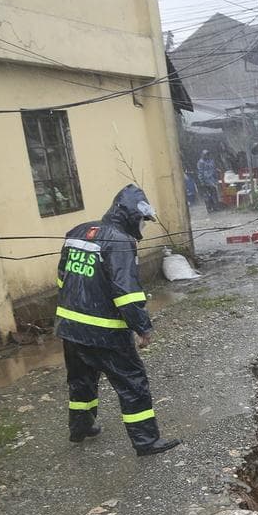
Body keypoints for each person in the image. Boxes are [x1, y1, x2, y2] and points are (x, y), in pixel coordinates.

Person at [55, 184, 180, 457]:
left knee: (81, 379)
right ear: (130, 216)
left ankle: (80, 427)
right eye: (141, 221)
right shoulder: (120, 242)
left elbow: (62, 278)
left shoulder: (78, 232)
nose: (142, 227)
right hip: (105, 332)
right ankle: (146, 440)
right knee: (133, 383)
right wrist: (143, 328)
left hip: (70, 327)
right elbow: (126, 293)